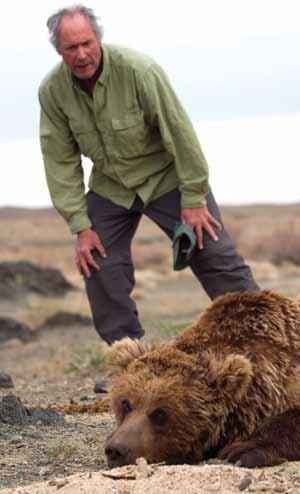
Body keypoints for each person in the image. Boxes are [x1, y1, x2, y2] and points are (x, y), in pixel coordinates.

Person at [39, 5, 259, 345]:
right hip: (112, 185)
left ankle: (263, 339)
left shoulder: (139, 70)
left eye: (87, 43)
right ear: (59, 50)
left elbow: (179, 132)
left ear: (98, 39)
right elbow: (59, 161)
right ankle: (126, 358)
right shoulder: (52, 91)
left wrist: (194, 198)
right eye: (71, 48)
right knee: (97, 262)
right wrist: (80, 225)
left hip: (166, 176)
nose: (82, 54)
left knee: (213, 252)